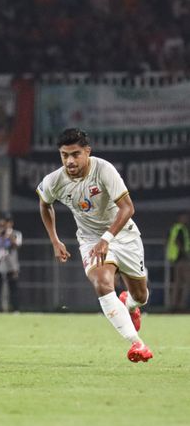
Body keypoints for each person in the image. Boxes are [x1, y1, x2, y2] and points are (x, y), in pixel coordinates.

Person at [37, 128, 153, 363]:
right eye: (64, 155)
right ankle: (137, 343)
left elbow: (128, 208)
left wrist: (107, 239)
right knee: (102, 283)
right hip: (90, 239)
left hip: (123, 235)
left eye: (75, 154)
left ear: (87, 151)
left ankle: (129, 305)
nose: (69, 161)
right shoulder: (54, 181)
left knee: (141, 296)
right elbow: (44, 204)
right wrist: (55, 239)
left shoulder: (104, 169)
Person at [167, 213, 190, 312]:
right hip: (182, 259)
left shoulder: (174, 228)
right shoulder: (181, 228)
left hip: (176, 259)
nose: (186, 219)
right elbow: (178, 242)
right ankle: (181, 305)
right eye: (185, 217)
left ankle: (174, 305)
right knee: (186, 282)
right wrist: (185, 254)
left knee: (177, 283)